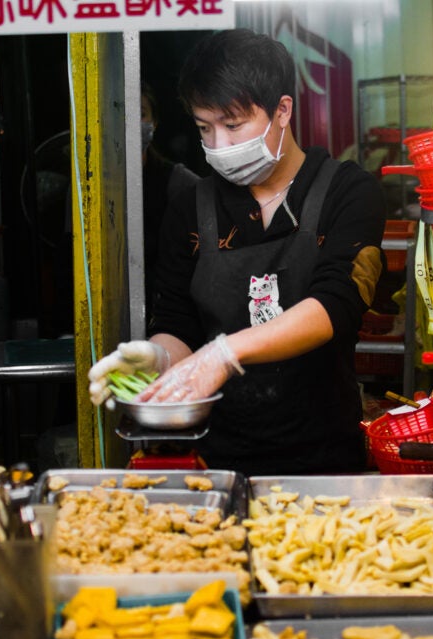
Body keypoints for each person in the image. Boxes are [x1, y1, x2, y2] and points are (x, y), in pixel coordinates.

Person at [89, 29, 386, 475]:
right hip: (217, 459)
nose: (219, 146)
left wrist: (224, 354)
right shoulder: (191, 207)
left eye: (233, 125)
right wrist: (158, 358)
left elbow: (336, 304)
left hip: (325, 457)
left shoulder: (348, 192)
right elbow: (178, 325)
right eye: (204, 128)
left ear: (282, 110)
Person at [141, 81, 200, 325]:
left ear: (154, 123)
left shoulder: (178, 181)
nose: (131, 122)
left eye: (141, 114)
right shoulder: (87, 186)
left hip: (168, 316)